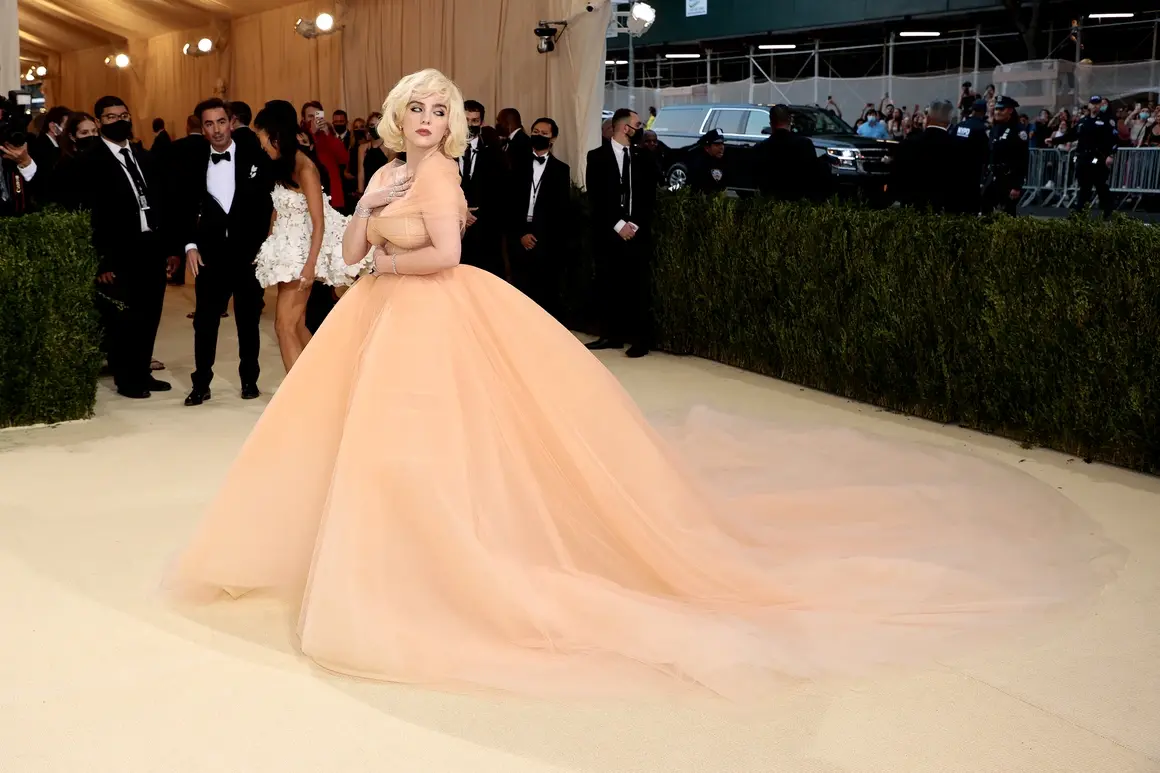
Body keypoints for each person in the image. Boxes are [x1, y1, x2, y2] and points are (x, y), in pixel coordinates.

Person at [164, 68, 1117, 701]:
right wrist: (368, 211)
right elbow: (345, 256)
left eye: (438, 109)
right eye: (416, 107)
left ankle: (436, 569)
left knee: (445, 450)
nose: (427, 119)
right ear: (394, 117)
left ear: (449, 123)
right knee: (368, 451)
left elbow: (446, 256)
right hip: (381, 324)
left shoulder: (444, 179)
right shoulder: (382, 177)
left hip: (438, 319)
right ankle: (371, 561)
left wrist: (381, 258)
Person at [62, 96, 178, 398]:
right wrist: (102, 260)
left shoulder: (142, 155)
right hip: (119, 252)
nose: (119, 121)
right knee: (124, 320)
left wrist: (169, 247)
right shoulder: (90, 161)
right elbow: (88, 214)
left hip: (151, 245)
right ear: (99, 121)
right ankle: (127, 379)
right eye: (111, 117)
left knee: (150, 314)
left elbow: (161, 200)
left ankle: (142, 372)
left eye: (123, 115)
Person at [177, 99, 274, 406]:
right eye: (209, 124)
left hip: (248, 254)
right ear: (202, 127)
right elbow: (184, 205)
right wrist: (190, 245)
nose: (216, 129)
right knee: (205, 322)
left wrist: (265, 245)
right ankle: (201, 383)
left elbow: (268, 204)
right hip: (210, 254)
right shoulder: (193, 160)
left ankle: (249, 381)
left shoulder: (255, 156)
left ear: (231, 122)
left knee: (248, 320)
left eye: (221, 122)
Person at [252, 100, 361, 372]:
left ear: (275, 135)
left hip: (302, 255)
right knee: (296, 325)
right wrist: (269, 247)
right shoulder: (283, 165)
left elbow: (318, 221)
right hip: (287, 252)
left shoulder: (305, 168)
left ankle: (297, 393)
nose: (261, 145)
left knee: (284, 326)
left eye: (262, 138)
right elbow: (279, 209)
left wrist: (311, 265)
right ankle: (321, 382)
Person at [585, 108, 659, 358]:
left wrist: (634, 224)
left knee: (638, 287)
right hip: (609, 233)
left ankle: (640, 339)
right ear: (625, 128)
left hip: (637, 233)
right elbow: (596, 197)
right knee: (608, 283)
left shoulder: (644, 157)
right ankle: (611, 335)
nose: (641, 129)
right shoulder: (596, 156)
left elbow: (649, 196)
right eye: (638, 125)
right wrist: (618, 225)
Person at [505, 116, 571, 317]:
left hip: (545, 239)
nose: (539, 136)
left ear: (553, 138)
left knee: (543, 291)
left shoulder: (561, 170)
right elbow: (508, 203)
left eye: (544, 133)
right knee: (518, 289)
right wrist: (521, 233)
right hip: (518, 235)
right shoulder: (515, 164)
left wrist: (539, 237)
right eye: (535, 132)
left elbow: (560, 210)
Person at [892, 99, 971, 214]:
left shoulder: (909, 143)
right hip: (942, 208)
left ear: (928, 118)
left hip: (912, 208)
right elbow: (960, 181)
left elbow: (898, 174)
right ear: (948, 120)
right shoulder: (957, 146)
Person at [1051, 96, 1120, 219]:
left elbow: (1114, 139)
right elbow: (1072, 135)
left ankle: (1109, 210)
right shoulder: (1083, 121)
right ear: (1089, 105)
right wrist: (1054, 140)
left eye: (1097, 104)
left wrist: (1110, 155)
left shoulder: (1107, 120)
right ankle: (1080, 213)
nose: (1095, 106)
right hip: (1083, 157)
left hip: (1098, 157)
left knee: (1100, 185)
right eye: (1093, 104)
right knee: (1084, 186)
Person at [458, 99, 505, 277]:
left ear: (482, 122)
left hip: (484, 228)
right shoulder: (445, 151)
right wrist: (460, 210)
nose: (470, 125)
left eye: (475, 121)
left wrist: (477, 214)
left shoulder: (494, 151)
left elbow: (499, 189)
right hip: (452, 226)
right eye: (466, 120)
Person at [755, 104, 824, 202]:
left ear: (771, 123)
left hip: (770, 203)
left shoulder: (761, 147)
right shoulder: (804, 144)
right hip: (798, 202)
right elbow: (813, 176)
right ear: (790, 121)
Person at [984, 95, 1029, 216]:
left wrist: (1017, 186)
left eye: (1001, 109)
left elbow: (1022, 159)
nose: (997, 112)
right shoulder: (996, 128)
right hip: (993, 176)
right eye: (996, 109)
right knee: (986, 211)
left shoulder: (1018, 130)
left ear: (1010, 110)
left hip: (1009, 178)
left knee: (1007, 214)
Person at [953, 99, 991, 214]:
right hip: (973, 172)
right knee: (971, 207)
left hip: (957, 172)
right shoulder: (982, 128)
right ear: (983, 112)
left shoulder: (959, 126)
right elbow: (987, 151)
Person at [687, 129, 727, 194]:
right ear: (707, 148)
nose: (722, 147)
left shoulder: (721, 161)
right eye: (717, 144)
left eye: (722, 144)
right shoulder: (698, 164)